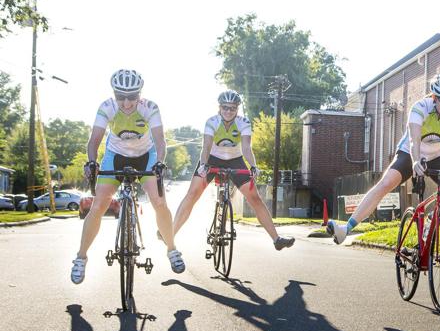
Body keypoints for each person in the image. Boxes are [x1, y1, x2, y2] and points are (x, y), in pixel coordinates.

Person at [327, 73, 440, 262]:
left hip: (436, 156)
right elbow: (414, 140)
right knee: (386, 183)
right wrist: (415, 161)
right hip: (409, 153)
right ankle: (345, 229)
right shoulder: (420, 108)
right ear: (434, 97)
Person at [71, 69, 184, 283]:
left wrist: (159, 162)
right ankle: (80, 258)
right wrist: (92, 162)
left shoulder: (149, 107)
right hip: (116, 155)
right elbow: (94, 141)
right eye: (120, 96)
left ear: (139, 94)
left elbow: (160, 141)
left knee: (159, 201)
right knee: (98, 205)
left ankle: (172, 249)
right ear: (114, 94)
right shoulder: (107, 107)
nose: (126, 103)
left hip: (145, 155)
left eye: (132, 96)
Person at [169, 90, 294, 250]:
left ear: (237, 109)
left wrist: (253, 166)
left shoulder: (244, 123)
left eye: (232, 108)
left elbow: (247, 148)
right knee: (192, 194)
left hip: (235, 161)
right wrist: (203, 164)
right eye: (225, 107)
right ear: (219, 108)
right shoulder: (211, 122)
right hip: (212, 159)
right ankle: (170, 234)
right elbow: (206, 146)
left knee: (255, 199)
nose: (228, 111)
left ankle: (277, 239)